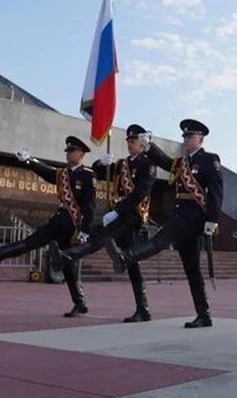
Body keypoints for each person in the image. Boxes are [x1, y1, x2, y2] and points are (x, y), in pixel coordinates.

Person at [105, 119, 222, 328]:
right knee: (192, 269)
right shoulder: (181, 163)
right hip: (182, 215)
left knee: (162, 237)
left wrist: (212, 219)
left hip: (194, 217)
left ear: (201, 139)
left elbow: (215, 191)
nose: (186, 139)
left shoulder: (210, 160)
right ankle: (204, 314)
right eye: (184, 136)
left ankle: (126, 257)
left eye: (190, 136)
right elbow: (165, 161)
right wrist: (149, 145)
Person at [49, 124, 156, 323]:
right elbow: (99, 171)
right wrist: (101, 162)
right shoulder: (122, 164)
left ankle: (67, 256)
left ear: (142, 144)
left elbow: (141, 192)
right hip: (118, 215)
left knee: (103, 238)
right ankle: (143, 309)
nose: (130, 145)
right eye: (129, 142)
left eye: (133, 142)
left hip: (132, 216)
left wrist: (117, 210)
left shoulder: (147, 164)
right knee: (130, 262)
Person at [0, 136, 95, 317]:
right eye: (67, 151)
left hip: (73, 224)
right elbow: (47, 172)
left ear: (81, 154)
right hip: (60, 220)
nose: (68, 154)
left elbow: (89, 205)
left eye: (71, 151)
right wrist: (29, 161)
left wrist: (85, 230)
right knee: (46, 251)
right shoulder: (62, 174)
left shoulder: (87, 175)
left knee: (53, 255)